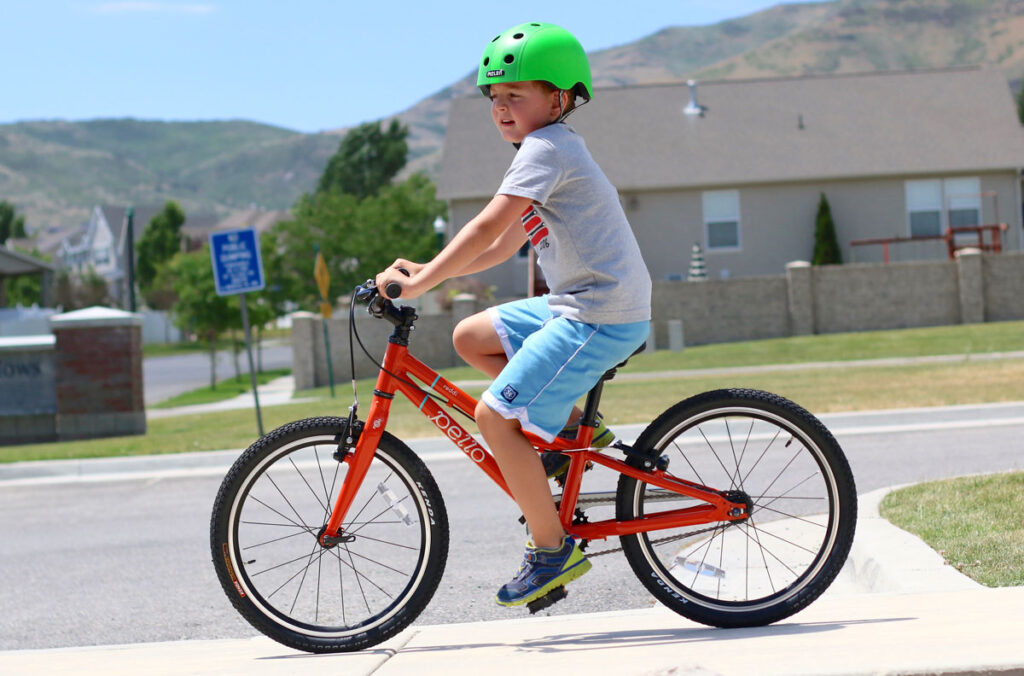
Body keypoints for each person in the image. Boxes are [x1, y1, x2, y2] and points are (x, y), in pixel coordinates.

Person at [375, 21, 651, 608]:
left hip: (601, 313)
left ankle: (553, 551)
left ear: (558, 98)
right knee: (472, 336)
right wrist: (430, 269)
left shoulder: (549, 149)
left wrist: (420, 280)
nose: (502, 108)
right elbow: (501, 245)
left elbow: (485, 226)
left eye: (516, 95)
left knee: (495, 418)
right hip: (576, 303)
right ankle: (572, 431)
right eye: (495, 98)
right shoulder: (540, 151)